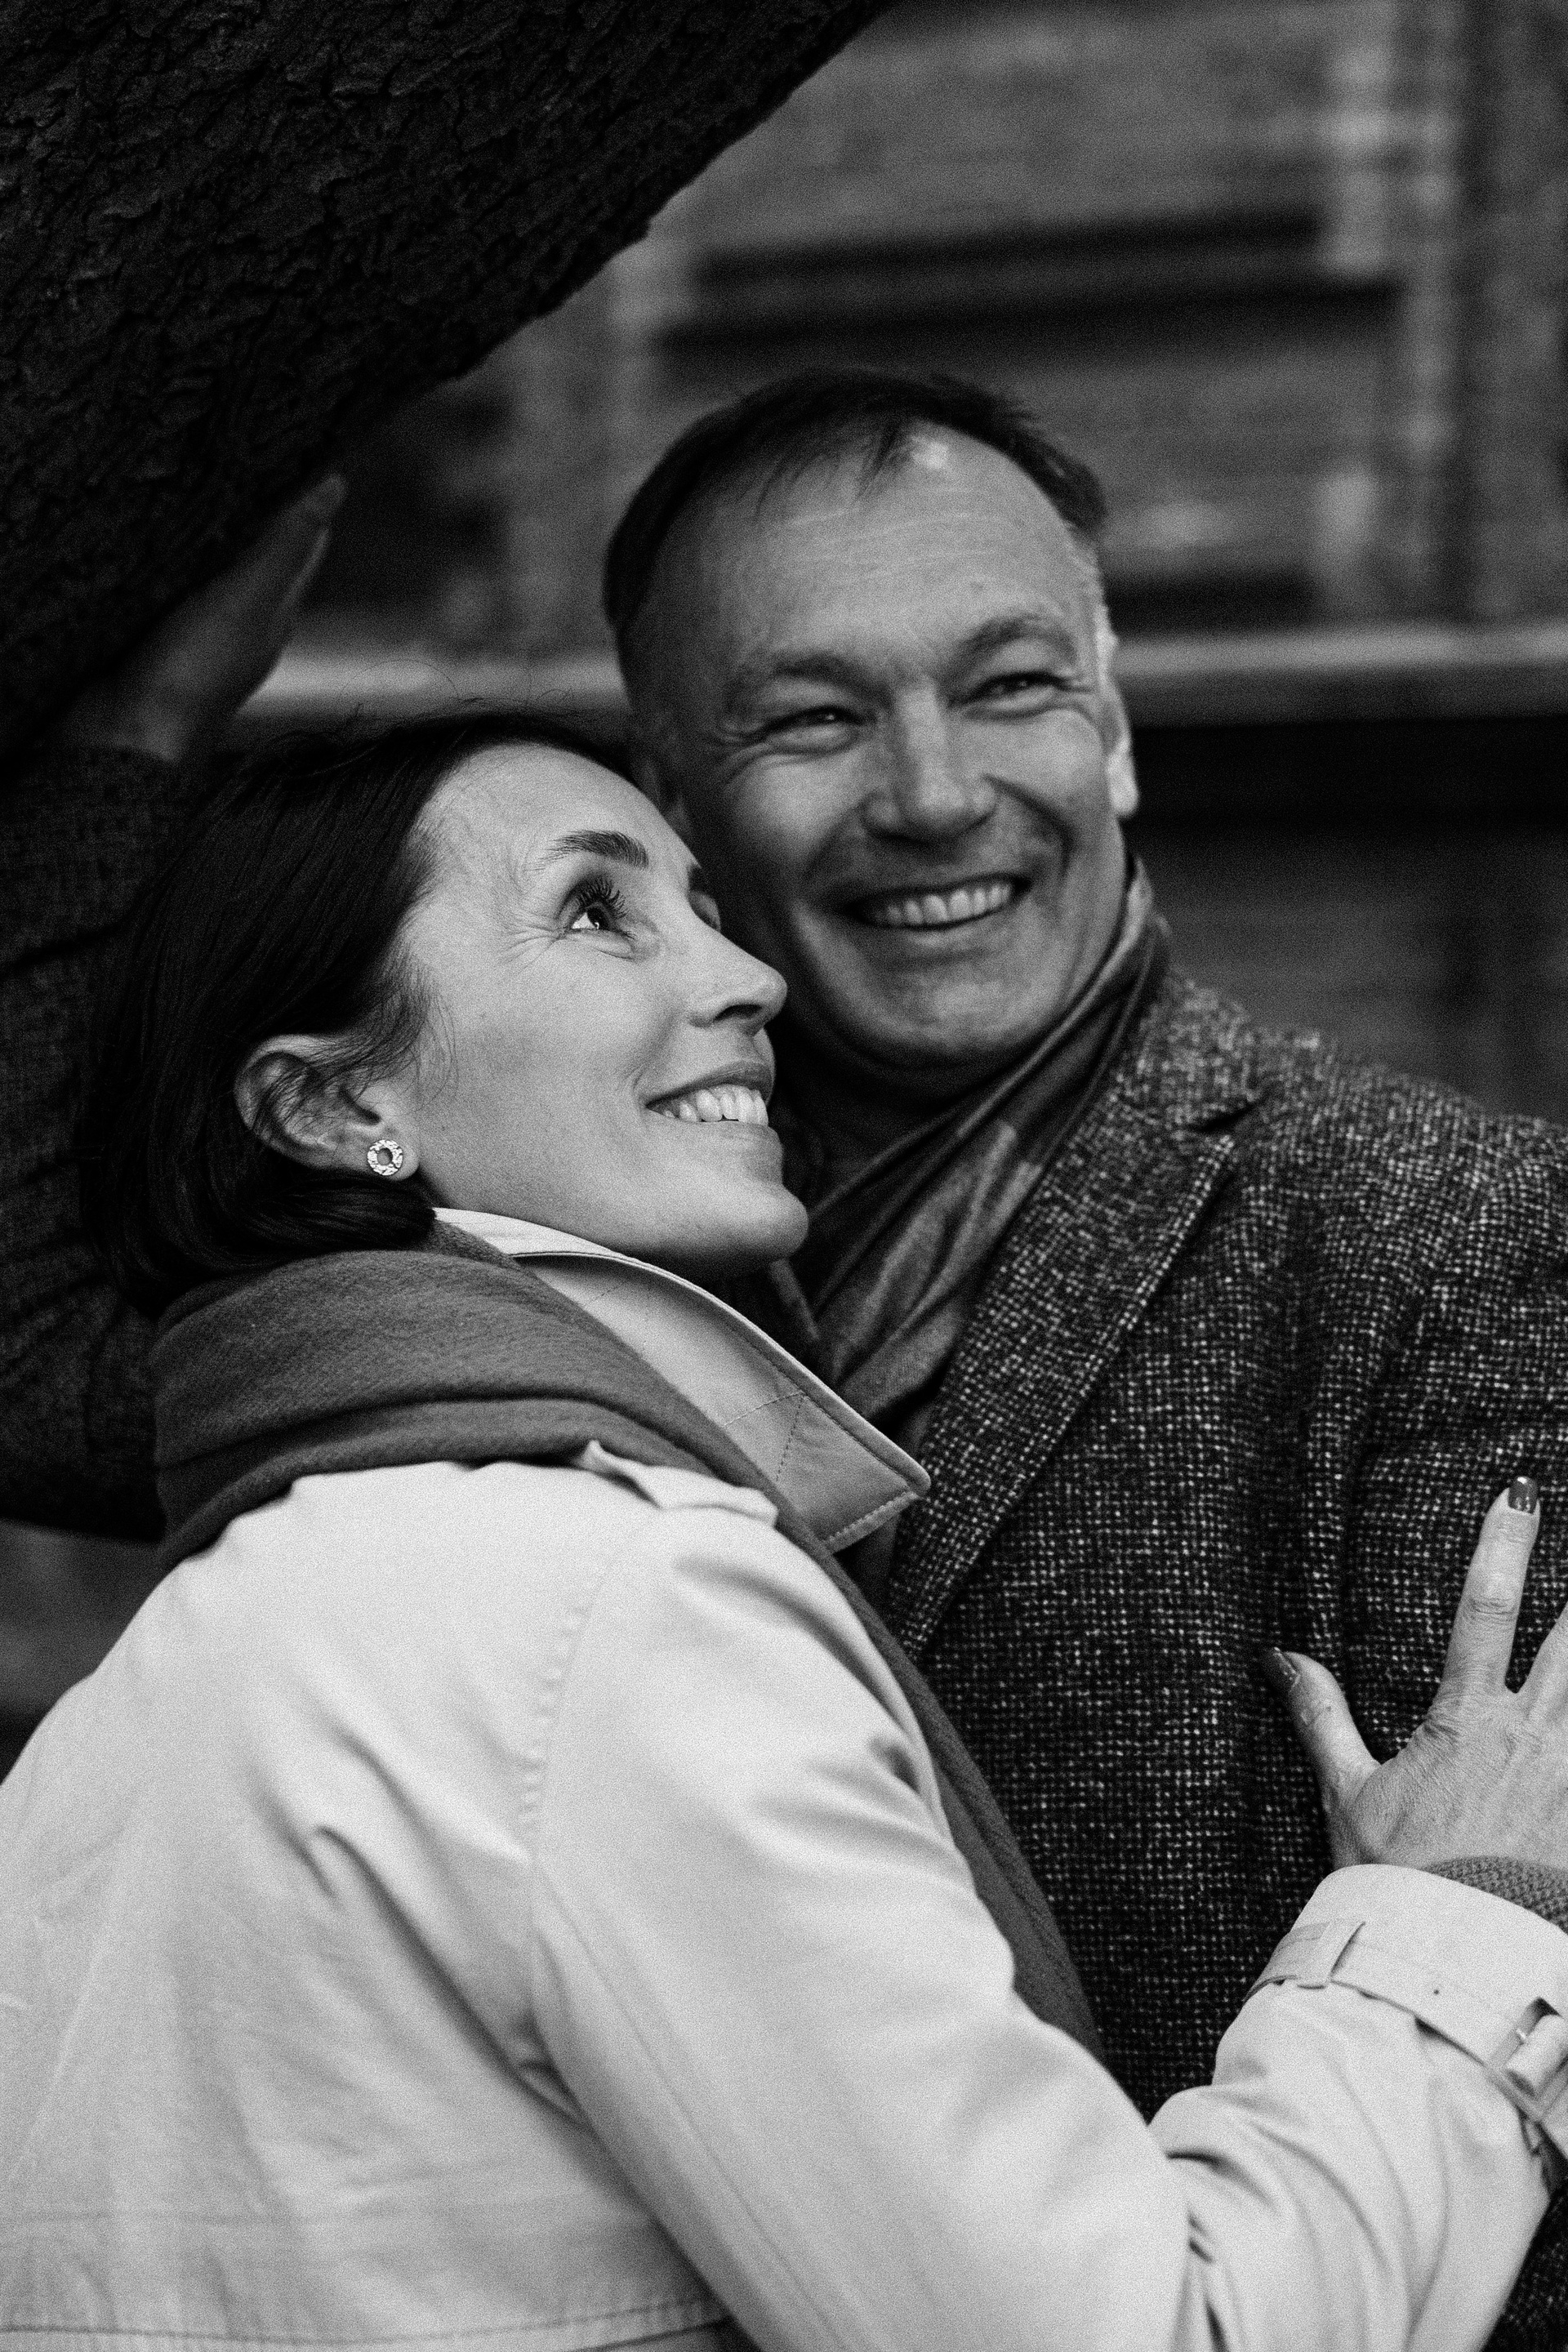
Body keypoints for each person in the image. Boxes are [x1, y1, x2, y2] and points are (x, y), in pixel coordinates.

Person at [6, 706, 1568, 2352]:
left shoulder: (130, 1712)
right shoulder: (611, 1605)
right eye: (596, 912)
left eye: (702, 906)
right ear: (330, 1106)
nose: (748, 978)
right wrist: (1457, 1928)